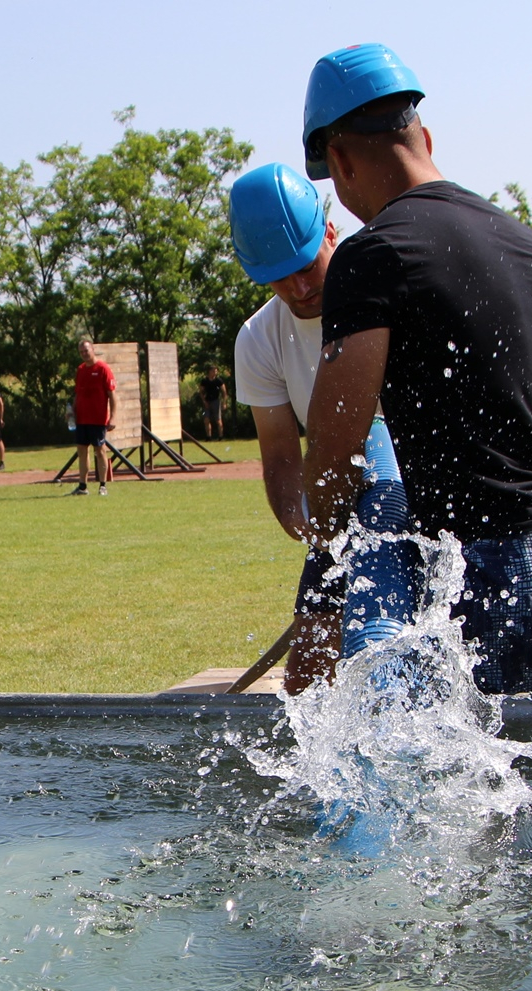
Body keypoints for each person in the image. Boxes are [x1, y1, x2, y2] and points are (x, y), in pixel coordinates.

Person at [300, 43, 532, 695]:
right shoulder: (531, 243)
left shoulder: (373, 254)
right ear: (424, 137)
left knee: (490, 756)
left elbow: (336, 441)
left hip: (493, 555)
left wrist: (329, 537)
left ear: (340, 160)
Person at [230, 162, 349, 693]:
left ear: (330, 233)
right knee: (306, 681)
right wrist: (300, 521)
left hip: (430, 502)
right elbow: (280, 456)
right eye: (280, 276)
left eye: (307, 265)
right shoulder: (258, 339)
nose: (300, 288)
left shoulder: (385, 295)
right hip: (342, 508)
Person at [71, 340, 116, 496]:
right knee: (82, 451)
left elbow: (112, 395)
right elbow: (77, 394)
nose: (84, 354)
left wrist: (113, 418)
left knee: (100, 451)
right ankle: (83, 486)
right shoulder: (80, 370)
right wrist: (72, 411)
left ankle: (103, 486)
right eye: (81, 352)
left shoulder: (103, 369)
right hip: (81, 419)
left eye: (86, 350)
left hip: (98, 419)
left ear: (93, 349)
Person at [198, 365, 228, 439]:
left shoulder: (218, 381)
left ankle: (221, 436)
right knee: (206, 419)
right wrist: (204, 401)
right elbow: (201, 392)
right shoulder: (204, 381)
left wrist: (224, 402)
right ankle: (208, 436)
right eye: (213, 371)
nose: (215, 372)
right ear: (209, 371)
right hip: (207, 401)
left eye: (216, 371)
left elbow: (224, 392)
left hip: (216, 401)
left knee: (218, 419)